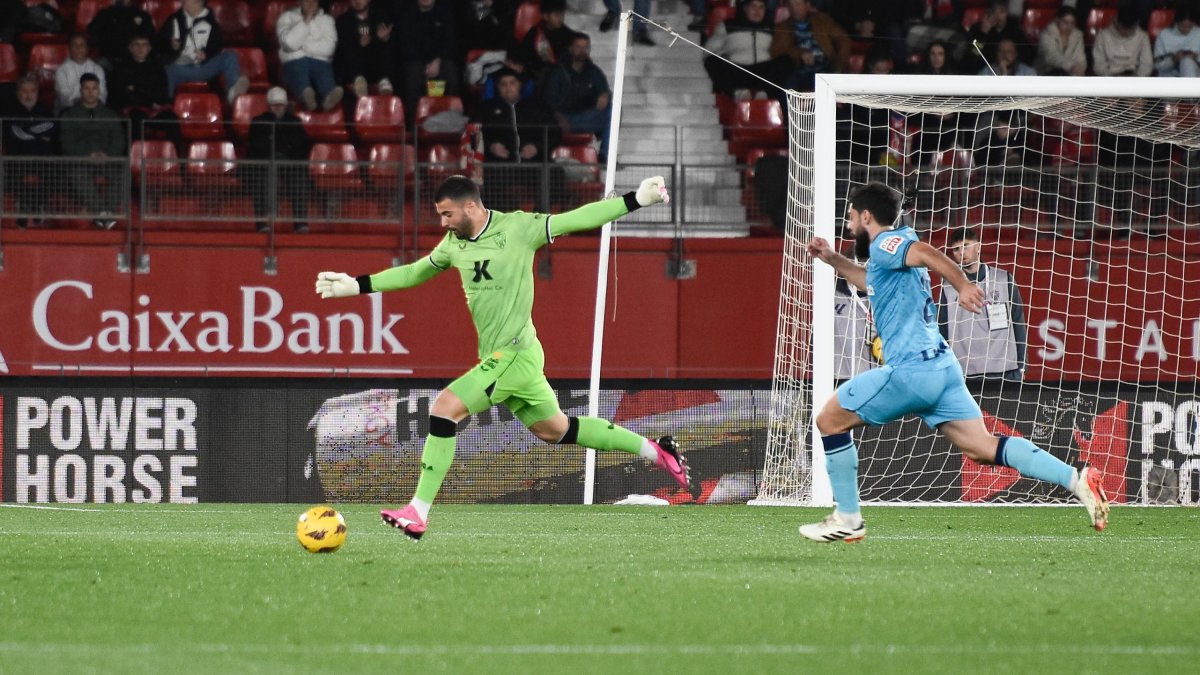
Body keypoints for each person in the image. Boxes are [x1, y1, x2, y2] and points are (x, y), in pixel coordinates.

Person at [313, 175, 688, 539]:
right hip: (509, 355)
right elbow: (415, 272)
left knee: (444, 408)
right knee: (556, 430)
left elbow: (579, 218)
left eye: (447, 215)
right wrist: (358, 284)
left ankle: (417, 511)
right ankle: (657, 451)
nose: (442, 222)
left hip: (514, 352)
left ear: (471, 206)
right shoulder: (453, 244)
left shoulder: (519, 228)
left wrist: (636, 200)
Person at [798, 182, 1109, 542]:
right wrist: (833, 259)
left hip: (911, 370)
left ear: (867, 216)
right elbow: (871, 281)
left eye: (851, 217)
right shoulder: (892, 248)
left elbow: (928, 253)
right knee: (982, 447)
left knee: (829, 420)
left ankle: (848, 520)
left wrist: (961, 285)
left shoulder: (886, 243)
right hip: (942, 367)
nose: (849, 226)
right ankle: (1077, 479)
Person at [937, 227, 1026, 380]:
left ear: (978, 247)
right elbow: (942, 330)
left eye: (966, 245)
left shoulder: (1004, 279)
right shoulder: (948, 287)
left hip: (1006, 369)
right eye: (956, 249)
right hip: (965, 372)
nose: (961, 252)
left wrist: (1022, 365)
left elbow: (1018, 322)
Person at [476, 67, 563, 211]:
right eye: (503, 84)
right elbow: (475, 133)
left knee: (554, 173)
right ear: (498, 87)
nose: (508, 88)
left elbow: (555, 134)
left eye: (512, 83)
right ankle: (499, 223)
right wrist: (491, 146)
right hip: (502, 164)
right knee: (491, 178)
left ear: (519, 85)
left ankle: (540, 219)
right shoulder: (486, 108)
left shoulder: (536, 107)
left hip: (533, 164)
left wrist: (536, 147)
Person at [58, 72, 126, 229]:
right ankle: (102, 213)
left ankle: (105, 213)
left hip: (107, 160)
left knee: (122, 172)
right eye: (86, 88)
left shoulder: (110, 114)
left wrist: (106, 155)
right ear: (81, 91)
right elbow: (67, 143)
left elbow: (118, 141)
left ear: (99, 90)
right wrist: (88, 155)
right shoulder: (70, 115)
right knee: (77, 172)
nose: (90, 92)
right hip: (82, 160)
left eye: (94, 88)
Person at [245, 86, 312, 233]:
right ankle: (263, 221)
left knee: (299, 178)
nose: (278, 108)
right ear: (269, 106)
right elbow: (257, 145)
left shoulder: (294, 122)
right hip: (265, 162)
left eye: (280, 105)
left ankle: (300, 222)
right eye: (275, 105)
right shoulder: (259, 121)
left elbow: (301, 145)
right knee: (263, 176)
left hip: (290, 162)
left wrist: (280, 145)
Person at [158, 0, 249, 104]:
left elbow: (216, 46)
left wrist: (206, 54)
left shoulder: (211, 23)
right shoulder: (173, 19)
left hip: (204, 66)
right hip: (180, 67)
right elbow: (159, 43)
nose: (183, 2)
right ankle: (167, 104)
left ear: (198, 2)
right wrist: (171, 46)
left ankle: (233, 92)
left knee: (230, 55)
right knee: (169, 70)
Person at [702, 0, 791, 99]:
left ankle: (764, 93)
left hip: (763, 73)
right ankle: (736, 92)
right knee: (711, 61)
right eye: (754, 6)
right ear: (745, 8)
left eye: (761, 7)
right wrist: (723, 55)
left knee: (786, 60)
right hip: (737, 70)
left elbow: (780, 50)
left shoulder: (771, 28)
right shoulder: (728, 25)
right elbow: (709, 50)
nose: (758, 11)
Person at [543, 32, 611, 159]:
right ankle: (605, 153)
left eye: (586, 47)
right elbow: (549, 99)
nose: (582, 51)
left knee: (613, 111)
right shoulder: (559, 71)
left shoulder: (593, 71)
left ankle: (605, 155)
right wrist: (559, 117)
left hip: (585, 116)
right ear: (571, 49)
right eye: (578, 47)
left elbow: (603, 90)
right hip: (564, 117)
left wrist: (605, 94)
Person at [109, 33, 182, 150]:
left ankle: (176, 160)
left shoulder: (157, 68)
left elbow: (162, 95)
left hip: (155, 110)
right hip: (133, 111)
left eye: (144, 45)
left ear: (149, 48)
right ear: (130, 48)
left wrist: (136, 89)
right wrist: (149, 100)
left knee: (171, 118)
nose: (140, 48)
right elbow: (123, 95)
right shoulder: (121, 68)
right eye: (136, 45)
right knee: (138, 119)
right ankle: (136, 161)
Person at [1, 75, 57, 228]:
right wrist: (38, 135)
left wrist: (26, 131)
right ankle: (26, 207)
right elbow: (13, 132)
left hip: (42, 157)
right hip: (18, 157)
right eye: (24, 91)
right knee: (14, 174)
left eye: (32, 91)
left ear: (37, 93)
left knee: (56, 174)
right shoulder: (8, 111)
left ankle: (34, 204)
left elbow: (51, 126)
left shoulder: (45, 110)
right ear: (18, 93)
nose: (28, 95)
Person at [395, 0, 459, 130]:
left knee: (451, 74)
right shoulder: (407, 14)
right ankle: (416, 129)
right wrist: (425, 64)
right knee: (413, 76)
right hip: (415, 60)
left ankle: (450, 128)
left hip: (440, 60)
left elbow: (450, 42)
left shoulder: (445, 13)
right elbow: (405, 45)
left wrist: (437, 60)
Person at [768, 0, 851, 92]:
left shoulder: (822, 20)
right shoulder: (782, 27)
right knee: (787, 84)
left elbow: (843, 39)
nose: (794, 8)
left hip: (825, 69)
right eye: (790, 5)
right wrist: (799, 52)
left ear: (807, 5)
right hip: (799, 72)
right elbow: (776, 51)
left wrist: (839, 65)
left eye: (798, 4)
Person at [277, 0, 343, 111]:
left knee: (323, 70)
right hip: (295, 60)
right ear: (300, 2)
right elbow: (289, 44)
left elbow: (329, 48)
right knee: (297, 69)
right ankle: (306, 95)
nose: (311, 4)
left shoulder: (327, 20)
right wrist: (305, 21)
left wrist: (303, 46)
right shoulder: (287, 17)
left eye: (314, 1)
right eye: (307, 1)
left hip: (320, 61)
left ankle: (328, 97)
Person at [333, 0, 394, 98]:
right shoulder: (343, 21)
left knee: (385, 43)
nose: (357, 1)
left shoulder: (380, 16)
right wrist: (359, 44)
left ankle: (384, 80)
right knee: (350, 52)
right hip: (353, 71)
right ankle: (358, 81)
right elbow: (341, 52)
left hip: (374, 67)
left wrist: (381, 39)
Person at [514, 0, 575, 87]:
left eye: (562, 15)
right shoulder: (535, 34)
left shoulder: (568, 35)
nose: (561, 18)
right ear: (545, 16)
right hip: (538, 75)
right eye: (557, 15)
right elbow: (524, 58)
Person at [86, 0, 155, 70]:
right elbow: (91, 31)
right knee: (98, 66)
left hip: (132, 60)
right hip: (108, 58)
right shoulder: (105, 13)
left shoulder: (141, 15)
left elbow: (151, 37)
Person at [1092, 4, 1153, 77]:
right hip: (1109, 77)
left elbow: (1146, 65)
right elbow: (1098, 64)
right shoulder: (1103, 35)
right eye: (1124, 29)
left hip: (1134, 77)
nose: (1126, 32)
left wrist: (1136, 78)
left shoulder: (1143, 37)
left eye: (1130, 29)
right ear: (1117, 23)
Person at [54, 34, 107, 113]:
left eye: (82, 45)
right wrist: (83, 104)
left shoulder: (97, 69)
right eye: (75, 45)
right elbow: (64, 97)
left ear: (87, 48)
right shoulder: (62, 70)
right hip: (70, 111)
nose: (78, 48)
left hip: (93, 109)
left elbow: (102, 94)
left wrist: (90, 104)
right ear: (70, 48)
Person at [1035, 6, 1086, 76]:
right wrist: (1071, 66)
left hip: (1070, 74)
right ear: (1057, 20)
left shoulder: (1078, 35)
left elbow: (1081, 59)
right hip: (1046, 73)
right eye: (1065, 22)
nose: (1069, 26)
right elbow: (1052, 57)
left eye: (1072, 23)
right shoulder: (1047, 34)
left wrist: (1079, 69)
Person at [1153, 5, 1200, 77]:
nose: (1186, 30)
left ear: (1194, 23)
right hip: (1169, 74)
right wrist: (1173, 60)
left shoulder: (1198, 33)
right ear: (1176, 22)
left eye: (1190, 26)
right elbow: (1157, 64)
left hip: (1194, 73)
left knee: (1187, 62)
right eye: (1182, 26)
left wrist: (1196, 57)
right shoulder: (1164, 34)